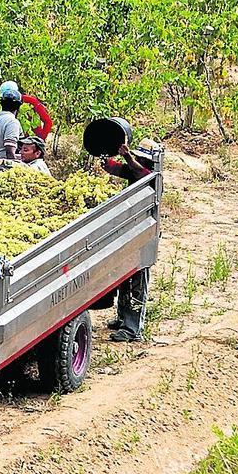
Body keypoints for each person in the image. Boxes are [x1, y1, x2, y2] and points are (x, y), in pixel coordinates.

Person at [101, 138, 162, 342]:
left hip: (144, 237)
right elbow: (113, 168)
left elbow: (141, 173)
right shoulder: (133, 172)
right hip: (131, 233)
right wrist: (105, 155)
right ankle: (123, 318)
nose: (138, 161)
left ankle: (133, 329)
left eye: (141, 159)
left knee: (137, 283)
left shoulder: (152, 177)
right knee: (124, 278)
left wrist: (127, 156)